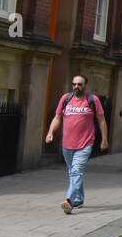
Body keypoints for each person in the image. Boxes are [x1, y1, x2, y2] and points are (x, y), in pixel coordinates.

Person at [44, 74, 108, 215]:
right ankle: (79, 198)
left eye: (79, 84)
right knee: (73, 173)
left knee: (76, 171)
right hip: (67, 143)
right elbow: (57, 117)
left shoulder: (93, 99)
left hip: (85, 143)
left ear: (85, 85)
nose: (76, 87)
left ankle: (70, 201)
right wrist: (50, 132)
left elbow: (101, 120)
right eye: (74, 84)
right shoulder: (66, 99)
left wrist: (104, 139)